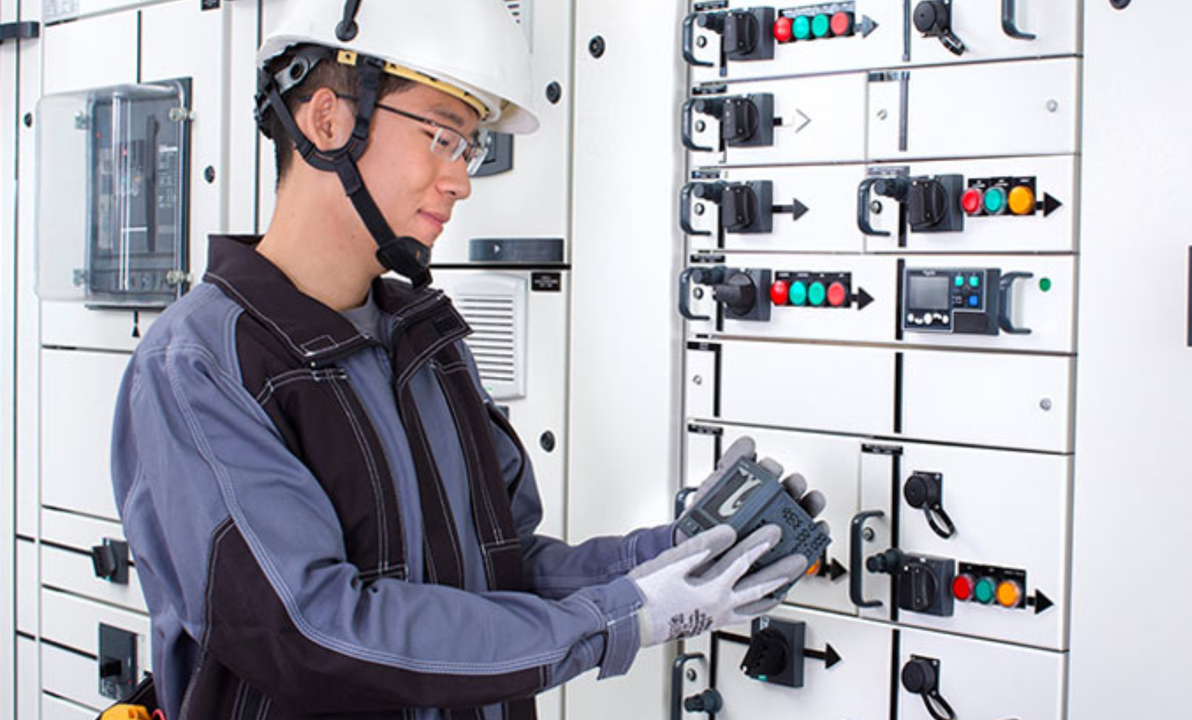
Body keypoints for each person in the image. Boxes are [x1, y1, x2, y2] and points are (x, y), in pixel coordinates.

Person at [110, 1, 827, 719]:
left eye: (470, 149)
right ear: (327, 122)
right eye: (442, 137)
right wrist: (619, 619)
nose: (461, 181)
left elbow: (500, 570)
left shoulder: (424, 341)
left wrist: (677, 558)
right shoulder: (200, 365)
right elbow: (310, 631)